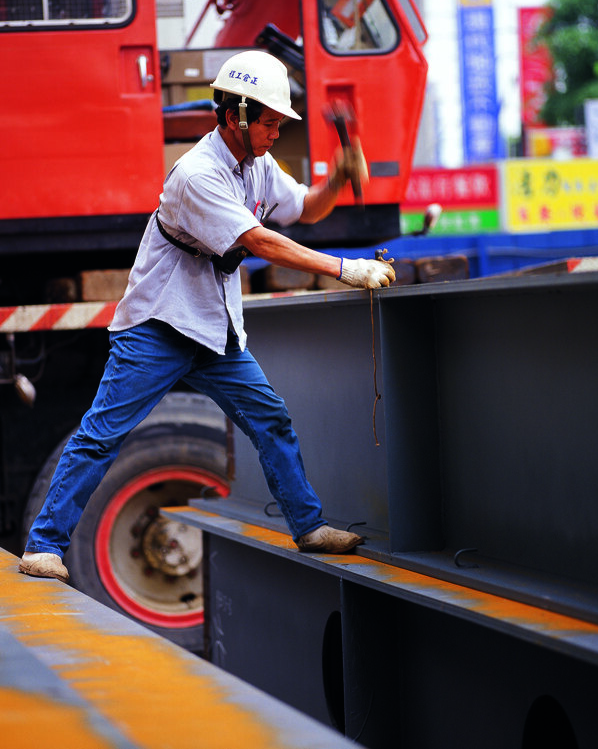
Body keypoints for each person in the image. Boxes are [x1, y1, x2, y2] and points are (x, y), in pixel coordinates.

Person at [19, 50, 396, 583]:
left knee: (272, 420)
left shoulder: (259, 166)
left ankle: (310, 527)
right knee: (103, 434)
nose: (274, 134)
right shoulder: (197, 174)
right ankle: (45, 546)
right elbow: (258, 240)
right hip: (158, 327)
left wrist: (336, 179)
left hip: (215, 332)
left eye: (278, 124)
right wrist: (344, 269)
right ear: (235, 117)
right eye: (268, 123)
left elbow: (306, 209)